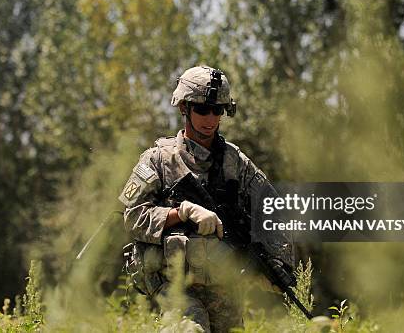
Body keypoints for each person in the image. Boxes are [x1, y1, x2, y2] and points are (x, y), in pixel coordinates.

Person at [119, 65, 293, 332]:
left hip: (225, 287)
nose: (210, 118)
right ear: (184, 108)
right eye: (202, 109)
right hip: (175, 284)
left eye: (217, 110)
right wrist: (182, 213)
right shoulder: (158, 159)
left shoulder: (235, 162)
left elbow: (271, 207)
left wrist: (275, 264)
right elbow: (133, 218)